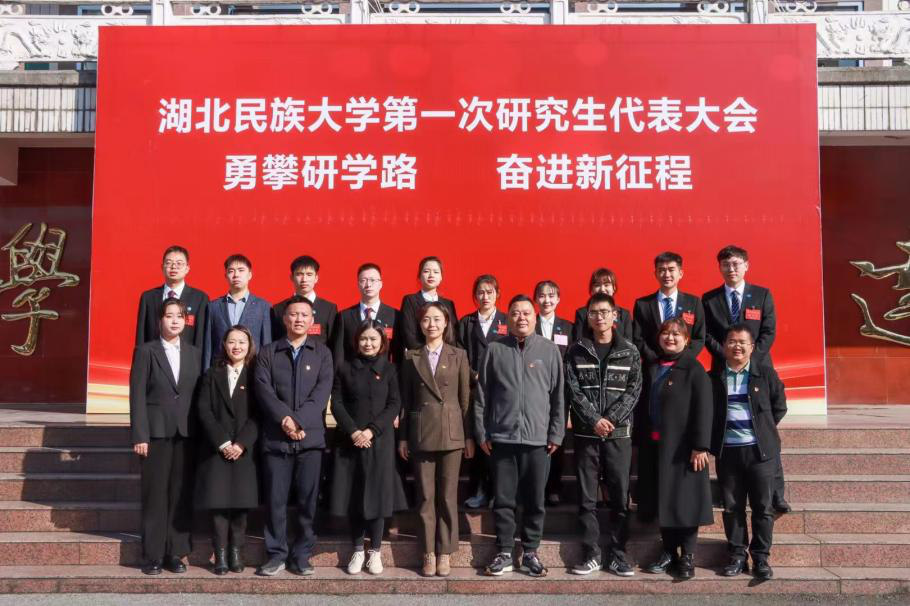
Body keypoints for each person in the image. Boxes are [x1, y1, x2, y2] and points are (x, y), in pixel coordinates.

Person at [475, 295, 565, 578]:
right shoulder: (494, 349)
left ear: (535, 317)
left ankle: (530, 552)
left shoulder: (549, 350)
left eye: (526, 313)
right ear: (508, 318)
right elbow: (481, 396)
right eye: (515, 313)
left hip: (538, 440)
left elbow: (558, 396)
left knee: (535, 500)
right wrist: (481, 432)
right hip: (502, 438)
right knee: (503, 500)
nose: (521, 318)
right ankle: (504, 551)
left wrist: (556, 432)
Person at [702, 245, 788, 514]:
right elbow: (707, 335)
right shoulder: (709, 299)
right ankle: (729, 492)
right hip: (724, 371)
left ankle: (776, 495)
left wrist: (750, 358)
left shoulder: (762, 295)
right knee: (727, 425)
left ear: (746, 266)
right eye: (726, 265)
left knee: (765, 431)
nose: (731, 269)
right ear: (720, 268)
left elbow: (768, 331)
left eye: (736, 264)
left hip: (758, 369)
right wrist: (728, 355)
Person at [254, 296, 333, 577]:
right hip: (276, 439)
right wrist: (284, 419)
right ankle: (276, 554)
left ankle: (302, 554)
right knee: (275, 501)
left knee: (307, 502)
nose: (299, 319)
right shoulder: (268, 352)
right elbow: (263, 389)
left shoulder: (322, 353)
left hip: (310, 440)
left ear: (312, 321)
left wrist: (297, 420)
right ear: (285, 319)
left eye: (304, 315)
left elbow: (321, 393)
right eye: (293, 314)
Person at [565, 293, 642, 576]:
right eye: (594, 312)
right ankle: (591, 554)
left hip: (618, 436)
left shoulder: (630, 351)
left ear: (615, 315)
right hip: (586, 436)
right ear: (588, 317)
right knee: (587, 498)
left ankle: (619, 554)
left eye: (604, 312)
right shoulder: (576, 351)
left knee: (619, 497)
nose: (600, 317)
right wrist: (594, 420)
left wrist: (610, 419)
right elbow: (573, 390)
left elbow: (634, 390)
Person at [399, 302, 474, 577]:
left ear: (446, 323)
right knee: (425, 496)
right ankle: (428, 552)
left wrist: (468, 436)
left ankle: (445, 552)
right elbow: (406, 401)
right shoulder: (411, 356)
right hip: (421, 433)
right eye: (426, 320)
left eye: (437, 319)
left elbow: (465, 400)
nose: (431, 324)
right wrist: (403, 438)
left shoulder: (459, 355)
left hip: (452, 433)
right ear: (420, 325)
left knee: (447, 496)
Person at [636, 317, 713, 580]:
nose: (670, 338)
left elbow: (704, 409)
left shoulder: (694, 369)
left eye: (676, 334)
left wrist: (700, 446)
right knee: (664, 499)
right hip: (656, 446)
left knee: (686, 502)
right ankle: (668, 551)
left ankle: (687, 556)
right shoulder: (652, 366)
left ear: (686, 340)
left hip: (685, 450)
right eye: (665, 333)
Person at [129, 298, 201, 575]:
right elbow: (137, 395)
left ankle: (176, 553)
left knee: (180, 495)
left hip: (186, 434)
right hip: (155, 434)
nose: (174, 321)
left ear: (185, 321)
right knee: (155, 495)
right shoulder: (146, 351)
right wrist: (140, 435)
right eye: (169, 316)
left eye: (179, 316)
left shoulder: (194, 353)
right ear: (160, 320)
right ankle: (153, 555)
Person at [329, 321, 406, 576]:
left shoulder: (390, 369)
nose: (368, 343)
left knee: (377, 496)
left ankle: (374, 551)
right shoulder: (345, 368)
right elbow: (337, 403)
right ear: (357, 342)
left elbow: (394, 404)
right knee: (355, 494)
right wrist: (354, 431)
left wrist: (372, 430)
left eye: (373, 339)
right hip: (350, 441)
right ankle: (357, 550)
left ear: (382, 342)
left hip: (379, 441)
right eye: (364, 339)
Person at [711, 324, 787, 580]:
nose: (737, 347)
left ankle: (761, 558)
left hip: (760, 452)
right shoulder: (715, 377)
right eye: (732, 342)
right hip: (728, 453)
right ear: (724, 346)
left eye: (742, 342)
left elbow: (779, 406)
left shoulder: (764, 373)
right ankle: (737, 556)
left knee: (763, 507)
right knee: (732, 508)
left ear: (752, 347)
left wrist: (763, 429)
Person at [194, 325, 259, 575]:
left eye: (242, 342)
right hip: (216, 450)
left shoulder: (256, 376)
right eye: (232, 341)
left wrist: (241, 443)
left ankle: (236, 552)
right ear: (224, 345)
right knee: (219, 504)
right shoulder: (212, 374)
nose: (236, 346)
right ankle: (220, 554)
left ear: (249, 346)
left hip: (244, 451)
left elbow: (259, 414)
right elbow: (204, 410)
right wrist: (222, 442)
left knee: (241, 505)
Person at [456, 274, 508, 509]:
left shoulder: (506, 320)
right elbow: (459, 354)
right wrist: (473, 374)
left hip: (501, 390)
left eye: (490, 292)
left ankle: (499, 492)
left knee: (498, 442)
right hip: (473, 389)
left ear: (497, 294)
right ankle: (478, 491)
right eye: (480, 292)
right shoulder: (466, 322)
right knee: (478, 440)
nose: (485, 296)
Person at [533, 280, 572, 507]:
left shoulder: (567, 327)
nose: (546, 300)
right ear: (536, 299)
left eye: (551, 296)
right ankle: (536, 488)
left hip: (560, 392)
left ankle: (554, 488)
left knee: (557, 439)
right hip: (535, 390)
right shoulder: (529, 324)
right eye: (542, 295)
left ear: (558, 299)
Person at [632, 251, 705, 365]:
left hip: (684, 366)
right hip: (653, 366)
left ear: (680, 273)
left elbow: (699, 338)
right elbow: (638, 337)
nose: (666, 275)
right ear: (655, 273)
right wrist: (654, 359)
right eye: (662, 270)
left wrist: (681, 360)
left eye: (671, 270)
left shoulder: (693, 302)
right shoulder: (643, 304)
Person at [203, 254, 271, 369]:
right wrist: (206, 373)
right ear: (225, 275)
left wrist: (265, 373)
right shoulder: (213, 307)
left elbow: (266, 344)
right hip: (220, 370)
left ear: (250, 275)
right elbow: (208, 345)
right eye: (231, 271)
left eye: (241, 270)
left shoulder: (263, 306)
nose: (236, 275)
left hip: (251, 370)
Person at [135, 245, 208, 349]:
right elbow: (141, 335)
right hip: (154, 355)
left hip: (186, 357)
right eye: (169, 263)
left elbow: (200, 337)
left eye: (179, 263)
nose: (173, 267)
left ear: (187, 268)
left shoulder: (200, 298)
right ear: (162, 267)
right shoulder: (148, 298)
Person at [333, 263, 400, 367]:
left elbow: (398, 353)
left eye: (373, 280)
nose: (368, 285)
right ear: (358, 284)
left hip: (383, 374)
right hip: (353, 373)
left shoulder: (394, 315)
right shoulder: (344, 316)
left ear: (380, 284)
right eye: (363, 280)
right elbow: (339, 354)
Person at [272, 255, 338, 345]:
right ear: (291, 277)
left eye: (309, 274)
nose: (304, 279)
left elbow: (334, 344)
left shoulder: (328, 309)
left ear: (316, 278)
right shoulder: (278, 309)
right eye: (299, 274)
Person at [400, 256, 458, 352]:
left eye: (436, 272)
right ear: (419, 276)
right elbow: (409, 334)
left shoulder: (448, 304)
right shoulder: (410, 301)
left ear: (441, 277)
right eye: (426, 271)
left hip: (445, 357)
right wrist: (428, 354)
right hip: (418, 356)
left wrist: (443, 355)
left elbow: (452, 335)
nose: (431, 275)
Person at [572, 268, 633, 342]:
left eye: (606, 285)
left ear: (614, 288)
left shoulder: (624, 314)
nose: (602, 289)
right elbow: (579, 341)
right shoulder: (582, 313)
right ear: (591, 289)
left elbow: (628, 342)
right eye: (597, 285)